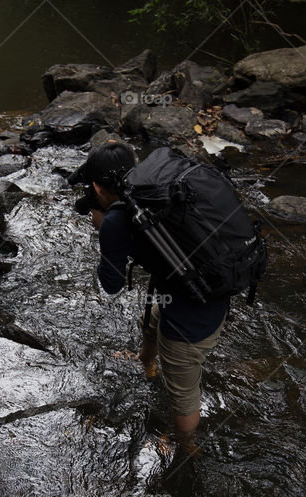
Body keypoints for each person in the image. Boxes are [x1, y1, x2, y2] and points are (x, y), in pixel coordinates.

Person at [81, 142, 229, 445]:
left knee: (183, 390)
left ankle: (186, 446)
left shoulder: (115, 220)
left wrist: (104, 230)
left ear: (96, 186)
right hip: (206, 286)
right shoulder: (155, 188)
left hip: (194, 313)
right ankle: (145, 362)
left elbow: (111, 285)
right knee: (150, 319)